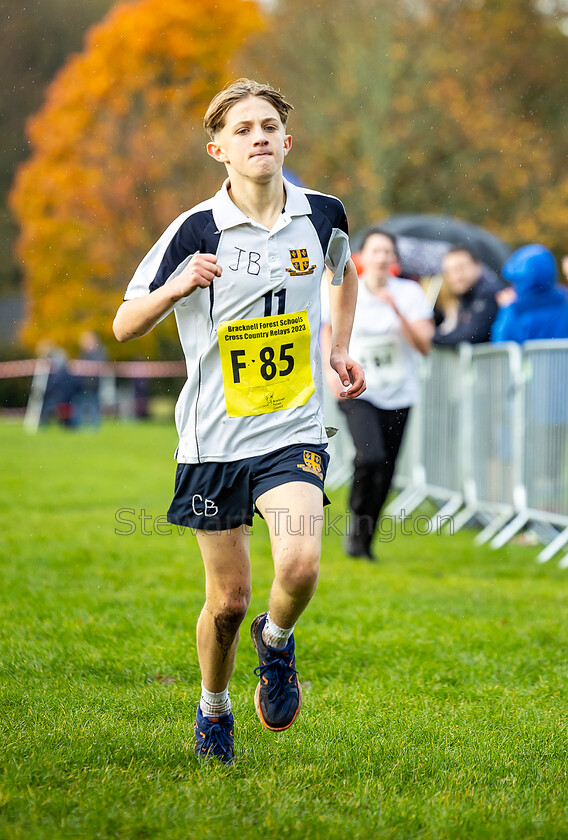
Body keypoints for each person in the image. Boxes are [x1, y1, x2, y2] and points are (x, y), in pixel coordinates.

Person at [112, 79, 365, 764]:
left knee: (303, 564)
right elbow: (124, 323)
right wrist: (176, 285)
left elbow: (345, 271)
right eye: (243, 129)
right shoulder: (196, 229)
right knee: (227, 602)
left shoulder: (323, 214)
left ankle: (277, 645)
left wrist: (339, 346)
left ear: (287, 140)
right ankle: (214, 705)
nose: (258, 137)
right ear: (218, 149)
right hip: (213, 440)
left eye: (268, 126)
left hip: (292, 429)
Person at [321, 228, 433, 560]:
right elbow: (327, 327)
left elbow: (425, 345)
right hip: (357, 389)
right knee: (369, 456)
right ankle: (357, 519)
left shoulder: (410, 293)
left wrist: (397, 310)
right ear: (363, 256)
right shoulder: (347, 287)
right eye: (375, 251)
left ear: (395, 259)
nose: (382, 257)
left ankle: (363, 539)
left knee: (386, 467)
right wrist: (330, 368)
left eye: (388, 252)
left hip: (399, 392)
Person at [491, 244, 568, 343]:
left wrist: (506, 309)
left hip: (527, 359)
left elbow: (502, 344)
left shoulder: (516, 309)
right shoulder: (563, 300)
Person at [433, 245, 500, 347]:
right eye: (450, 271)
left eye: (461, 268)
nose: (456, 276)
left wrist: (432, 337)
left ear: (478, 266)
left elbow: (471, 336)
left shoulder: (487, 293)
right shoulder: (466, 295)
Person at [75, 330, 108, 428]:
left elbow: (98, 368)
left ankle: (94, 427)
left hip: (93, 386)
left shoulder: (98, 353)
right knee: (80, 405)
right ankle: (78, 426)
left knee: (93, 406)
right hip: (83, 385)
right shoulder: (84, 353)